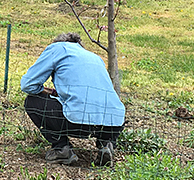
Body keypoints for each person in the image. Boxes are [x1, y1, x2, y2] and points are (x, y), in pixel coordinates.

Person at [20, 32, 125, 166]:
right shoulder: (96, 57)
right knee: (104, 109)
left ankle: (61, 148)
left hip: (77, 121)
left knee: (32, 101)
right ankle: (106, 144)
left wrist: (50, 91)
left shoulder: (58, 49)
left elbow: (28, 85)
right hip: (113, 122)